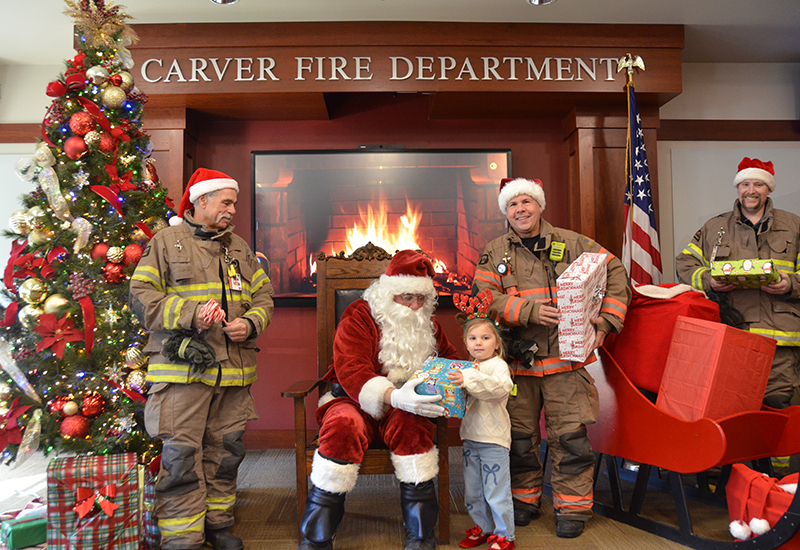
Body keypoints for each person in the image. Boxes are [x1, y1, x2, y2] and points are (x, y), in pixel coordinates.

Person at [472, 177, 631, 539]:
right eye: (513, 205)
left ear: (540, 206)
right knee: (519, 439)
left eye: (526, 202)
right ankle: (524, 500)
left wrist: (607, 320)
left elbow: (615, 271)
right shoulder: (494, 252)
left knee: (570, 439)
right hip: (518, 365)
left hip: (566, 362)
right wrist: (528, 311)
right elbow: (484, 297)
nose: (520, 210)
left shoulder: (574, 243)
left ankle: (572, 508)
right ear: (506, 212)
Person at [130, 167, 275, 550]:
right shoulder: (166, 242)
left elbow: (264, 296)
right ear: (202, 200)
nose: (232, 210)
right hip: (182, 374)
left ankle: (218, 525)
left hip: (233, 374)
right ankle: (183, 539)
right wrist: (191, 314)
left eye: (234, 203)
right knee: (181, 457)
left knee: (225, 454)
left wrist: (250, 323)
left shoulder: (239, 247)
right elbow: (141, 296)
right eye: (226, 202)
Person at [297, 249, 461, 550]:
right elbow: (351, 368)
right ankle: (317, 537)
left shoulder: (427, 323)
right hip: (353, 399)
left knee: (414, 429)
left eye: (421, 298)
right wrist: (393, 396)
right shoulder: (360, 315)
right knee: (342, 427)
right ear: (389, 293)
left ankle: (421, 534)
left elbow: (449, 359)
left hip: (408, 405)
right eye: (407, 297)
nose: (415, 306)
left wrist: (470, 375)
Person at [676, 157, 800, 410]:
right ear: (737, 188)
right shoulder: (714, 227)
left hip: (781, 341)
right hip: (731, 334)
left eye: (758, 185)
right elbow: (685, 264)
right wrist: (710, 281)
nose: (751, 191)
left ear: (768, 189)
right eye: (745, 184)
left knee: (778, 407)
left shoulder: (794, 226)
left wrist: (789, 284)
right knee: (734, 406)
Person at [447, 291, 515, 550]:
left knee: (496, 490)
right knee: (473, 491)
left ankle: (504, 535)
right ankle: (483, 527)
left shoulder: (498, 366)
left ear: (496, 343)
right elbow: (463, 400)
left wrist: (468, 380)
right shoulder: (467, 368)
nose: (479, 343)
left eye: (485, 338)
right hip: (471, 437)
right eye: (473, 338)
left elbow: (497, 389)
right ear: (466, 343)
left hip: (493, 440)